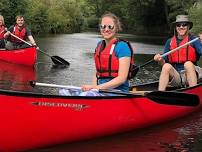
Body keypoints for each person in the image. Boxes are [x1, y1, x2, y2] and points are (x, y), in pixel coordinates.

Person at [81, 12, 134, 94]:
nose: (106, 29)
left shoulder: (122, 47)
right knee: (65, 92)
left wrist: (96, 88)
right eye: (103, 26)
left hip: (118, 92)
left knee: (84, 95)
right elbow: (97, 73)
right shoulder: (99, 45)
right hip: (101, 90)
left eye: (110, 26)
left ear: (116, 28)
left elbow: (122, 78)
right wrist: (94, 89)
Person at [154, 15, 202, 91]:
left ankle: (194, 91)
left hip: (193, 73)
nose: (181, 27)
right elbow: (163, 63)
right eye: (178, 25)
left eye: (184, 25)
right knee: (166, 66)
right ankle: (160, 93)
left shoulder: (194, 40)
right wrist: (159, 60)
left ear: (188, 26)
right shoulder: (169, 42)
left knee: (188, 64)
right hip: (177, 76)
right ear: (176, 27)